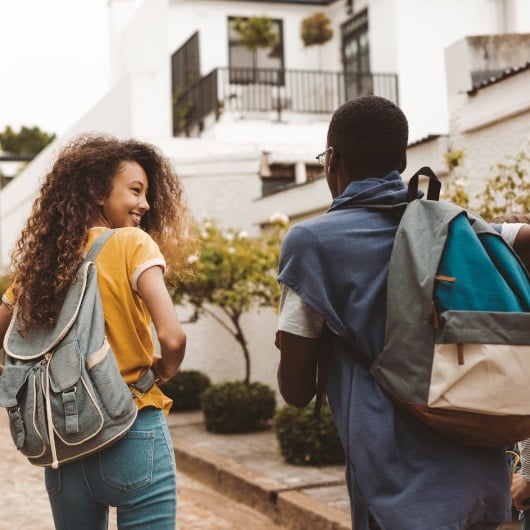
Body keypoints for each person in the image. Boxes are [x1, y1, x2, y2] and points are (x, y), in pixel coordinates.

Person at [275, 95, 530, 530]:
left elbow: (296, 390)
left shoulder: (312, 244)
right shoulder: (460, 226)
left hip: (395, 492)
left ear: (332, 159)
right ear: (403, 158)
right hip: (485, 483)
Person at [0, 133, 190, 529]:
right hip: (132, 426)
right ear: (97, 192)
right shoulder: (131, 243)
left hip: (64, 444)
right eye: (135, 191)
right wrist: (166, 368)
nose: (146, 203)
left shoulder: (42, 266)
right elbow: (173, 337)